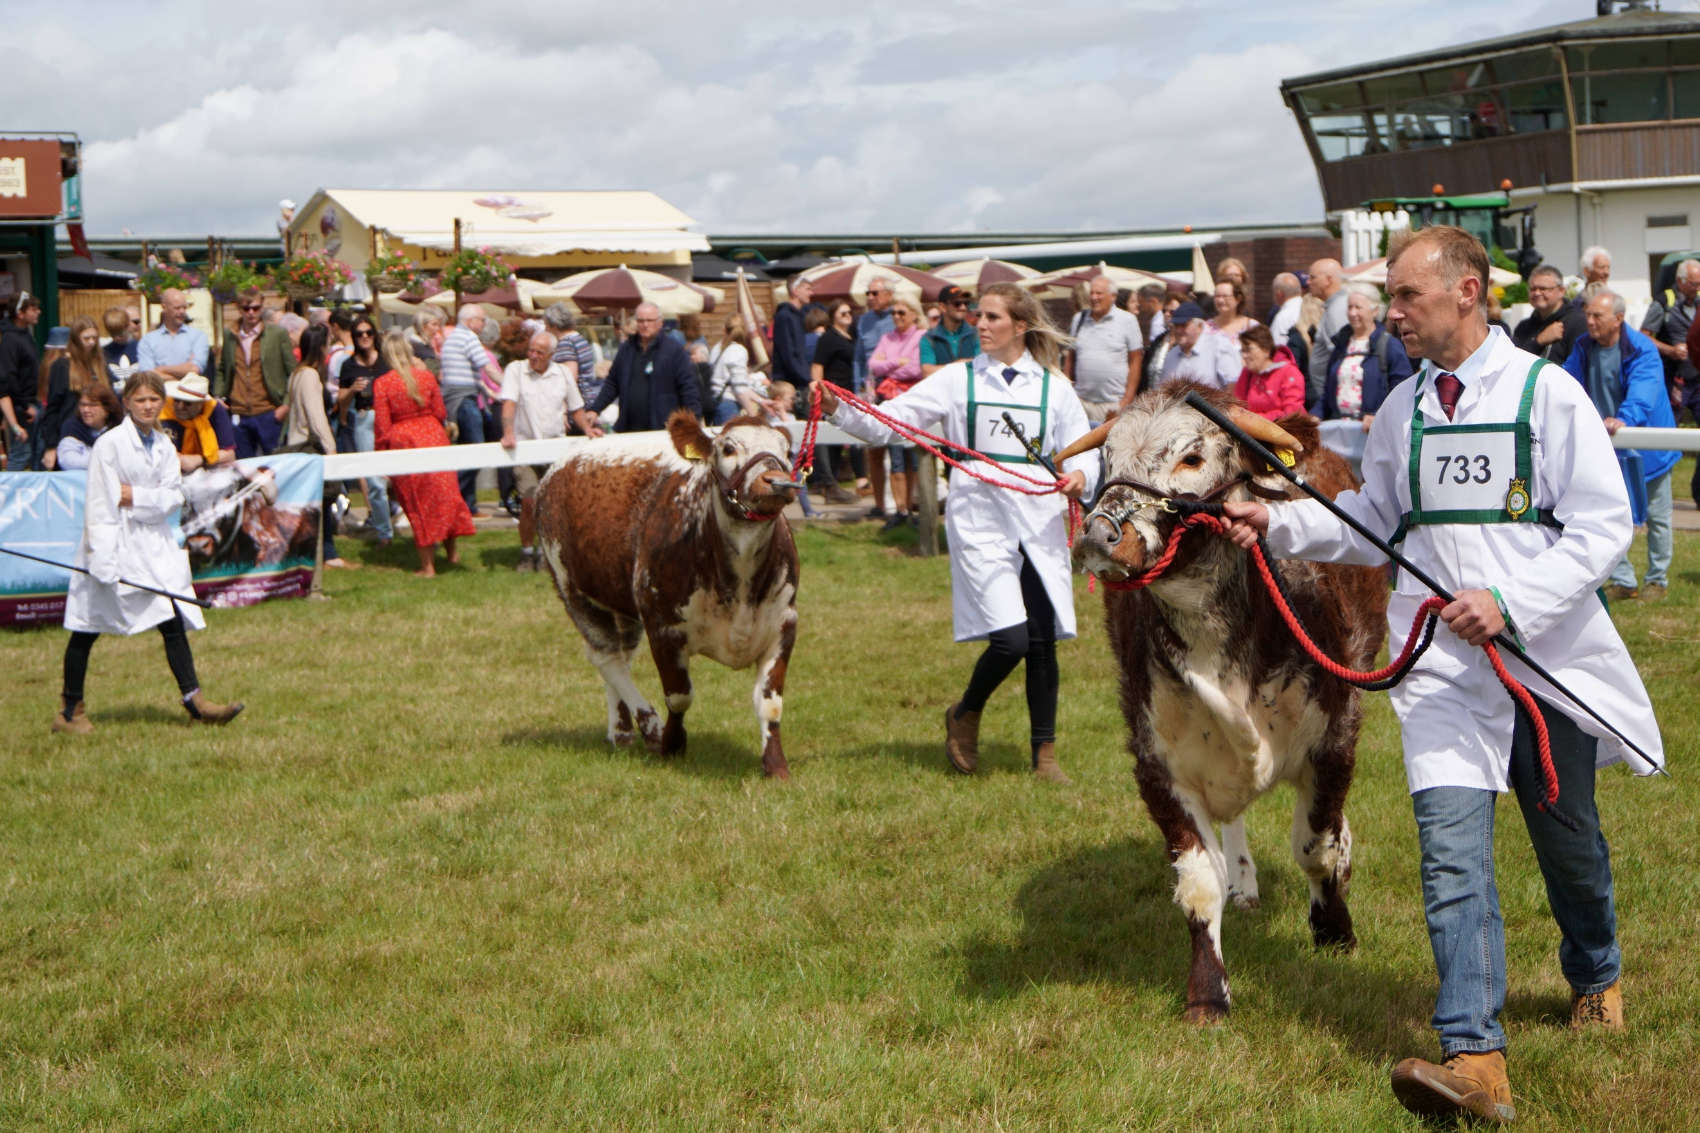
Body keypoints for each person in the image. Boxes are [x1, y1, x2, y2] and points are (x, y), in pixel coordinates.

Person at [1220, 225, 1665, 1126]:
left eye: (1408, 298)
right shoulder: (1404, 409)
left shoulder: (1549, 394)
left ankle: (1595, 971)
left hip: (1543, 662)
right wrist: (1279, 524)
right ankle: (1475, 1056)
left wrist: (1508, 597)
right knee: (1452, 856)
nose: (1395, 315)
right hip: (1439, 673)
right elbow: (1376, 521)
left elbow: (1601, 524)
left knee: (1566, 839)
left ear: (1467, 291)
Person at [815, 282, 1098, 783]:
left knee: (1041, 639)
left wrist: (1081, 475)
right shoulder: (956, 378)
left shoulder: (1054, 386)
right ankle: (966, 711)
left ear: (1021, 326)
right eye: (978, 316)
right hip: (981, 516)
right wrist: (839, 409)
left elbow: (1082, 448)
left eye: (992, 317)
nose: (980, 324)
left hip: (1037, 517)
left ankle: (1045, 756)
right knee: (1010, 639)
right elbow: (892, 423)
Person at [54, 370, 244, 735]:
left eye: (154, 400)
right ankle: (68, 710)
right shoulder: (109, 445)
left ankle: (195, 701)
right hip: (112, 543)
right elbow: (102, 500)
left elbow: (173, 497)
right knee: (87, 626)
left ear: (162, 403)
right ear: (126, 403)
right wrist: (102, 559)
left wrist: (136, 496)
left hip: (152, 546)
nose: (147, 406)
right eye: (140, 400)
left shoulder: (162, 445)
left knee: (171, 617)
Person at [1562, 289, 1677, 602]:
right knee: (1610, 513)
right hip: (1606, 447)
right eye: (1588, 314)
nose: (1589, 321)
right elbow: (1566, 383)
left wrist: (1623, 419)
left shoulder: (1641, 348)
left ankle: (1657, 580)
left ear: (1618, 319)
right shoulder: (1584, 346)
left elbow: (1644, 389)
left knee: (1657, 515)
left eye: (1597, 316)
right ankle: (1623, 579)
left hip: (1647, 447)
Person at [374, 330, 477, 578]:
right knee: (446, 496)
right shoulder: (427, 377)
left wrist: (381, 455)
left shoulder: (383, 383)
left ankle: (428, 567)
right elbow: (440, 412)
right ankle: (452, 555)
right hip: (434, 437)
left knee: (417, 503)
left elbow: (382, 426)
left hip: (405, 442)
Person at [500, 330, 601, 572]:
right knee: (529, 500)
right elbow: (509, 404)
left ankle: (548, 552)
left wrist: (588, 429)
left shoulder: (562, 374)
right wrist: (507, 431)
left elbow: (576, 408)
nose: (533, 356)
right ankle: (526, 551)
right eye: (531, 351)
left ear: (551, 355)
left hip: (555, 448)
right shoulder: (516, 370)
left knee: (553, 503)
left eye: (539, 353)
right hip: (524, 448)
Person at [282, 323, 355, 570]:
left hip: (295, 444)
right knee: (323, 500)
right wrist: (330, 446)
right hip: (308, 446)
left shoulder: (296, 374)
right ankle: (327, 553)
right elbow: (316, 416)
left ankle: (314, 552)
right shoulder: (311, 375)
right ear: (321, 347)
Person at [590, 301, 702, 433]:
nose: (645, 325)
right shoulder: (627, 349)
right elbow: (612, 383)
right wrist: (595, 409)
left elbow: (688, 389)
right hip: (628, 429)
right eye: (641, 321)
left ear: (660, 323)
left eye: (649, 320)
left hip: (663, 429)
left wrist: (693, 422)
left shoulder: (674, 351)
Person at [436, 304, 504, 512]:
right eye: (482, 320)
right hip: (464, 400)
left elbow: (471, 375)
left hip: (456, 399)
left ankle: (467, 505)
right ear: (470, 321)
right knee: (476, 449)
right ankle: (450, 494)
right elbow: (487, 368)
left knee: (466, 450)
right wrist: (510, 386)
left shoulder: (453, 339)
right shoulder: (469, 338)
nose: (484, 324)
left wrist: (490, 392)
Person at [1315, 283, 1413, 427]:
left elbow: (1403, 390)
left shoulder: (1389, 345)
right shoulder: (1341, 345)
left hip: (1373, 430)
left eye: (1358, 307)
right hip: (1339, 429)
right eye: (1349, 307)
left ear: (1375, 311)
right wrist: (1316, 414)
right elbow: (1328, 391)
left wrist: (1378, 415)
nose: (1352, 313)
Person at [333, 313, 393, 544]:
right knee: (375, 481)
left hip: (388, 418)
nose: (365, 337)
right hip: (364, 417)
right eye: (359, 334)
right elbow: (341, 402)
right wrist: (352, 390)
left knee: (398, 474)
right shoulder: (348, 365)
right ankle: (384, 533)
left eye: (369, 333)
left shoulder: (385, 360)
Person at [868, 295, 927, 527]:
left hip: (911, 402)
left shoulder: (921, 336)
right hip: (888, 400)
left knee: (912, 456)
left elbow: (916, 368)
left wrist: (888, 365)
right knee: (895, 458)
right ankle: (900, 508)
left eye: (902, 312)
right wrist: (896, 363)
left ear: (914, 314)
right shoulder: (887, 337)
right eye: (893, 313)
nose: (896, 317)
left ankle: (911, 505)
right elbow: (873, 365)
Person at [214, 291, 293, 458]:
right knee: (244, 468)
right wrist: (219, 396)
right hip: (239, 413)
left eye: (256, 308)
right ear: (239, 309)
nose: (251, 312)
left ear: (262, 308)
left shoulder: (277, 334)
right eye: (246, 308)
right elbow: (222, 368)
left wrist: (285, 406)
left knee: (275, 465)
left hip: (269, 411)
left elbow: (293, 373)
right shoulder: (230, 335)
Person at [40, 318, 114, 471]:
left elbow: (112, 402)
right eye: (87, 338)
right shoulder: (62, 366)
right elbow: (53, 409)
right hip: (71, 435)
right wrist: (51, 446)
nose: (92, 342)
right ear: (76, 340)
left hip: (100, 436)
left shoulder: (101, 365)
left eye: (94, 338)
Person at [1065, 277, 1142, 424]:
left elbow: (1136, 360)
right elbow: (1070, 357)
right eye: (1092, 293)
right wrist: (1069, 393)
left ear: (1113, 296)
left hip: (1113, 405)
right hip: (1082, 403)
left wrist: (1127, 400)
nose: (1094, 297)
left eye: (1099, 293)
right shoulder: (1079, 319)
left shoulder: (1128, 320)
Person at [1638, 257, 1699, 398]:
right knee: (1671, 419)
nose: (1697, 288)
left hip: (1696, 375)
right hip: (1673, 377)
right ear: (1680, 281)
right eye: (1693, 284)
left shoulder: (1699, 300)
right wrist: (1671, 350)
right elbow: (1643, 336)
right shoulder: (1663, 302)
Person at [158, 372, 236, 474]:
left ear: (201, 404)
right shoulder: (164, 410)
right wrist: (180, 458)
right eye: (177, 400)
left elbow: (230, 455)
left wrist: (199, 459)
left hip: (206, 473)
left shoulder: (214, 410)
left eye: (187, 403)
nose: (180, 407)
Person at [1512, 264, 1587, 364]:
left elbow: (1578, 366)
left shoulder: (1577, 323)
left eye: (1543, 289)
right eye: (1533, 289)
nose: (1537, 293)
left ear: (1561, 291)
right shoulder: (1523, 327)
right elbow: (1514, 363)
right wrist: (1538, 342)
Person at [0, 291, 43, 470]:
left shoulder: (25, 335)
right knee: (21, 453)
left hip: (31, 402)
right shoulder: (10, 339)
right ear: (20, 313)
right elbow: (9, 378)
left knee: (37, 450)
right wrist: (26, 406)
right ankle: (8, 495)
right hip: (20, 408)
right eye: (33, 309)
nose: (38, 312)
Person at [1233, 326, 1306, 420]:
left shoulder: (1289, 372)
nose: (1244, 355)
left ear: (1266, 350)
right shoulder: (1247, 374)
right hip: (1251, 432)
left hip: (1283, 431)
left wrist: (1256, 420)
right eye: (1242, 351)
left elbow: (1292, 413)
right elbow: (1238, 408)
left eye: (1248, 349)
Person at [1159, 301, 1240, 388]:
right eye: (1176, 325)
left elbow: (1233, 385)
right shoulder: (1171, 355)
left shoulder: (1219, 348)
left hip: (1212, 401)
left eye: (1183, 325)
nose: (1178, 330)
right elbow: (1164, 390)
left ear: (1200, 326)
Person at [135, 289, 210, 380]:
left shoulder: (198, 336)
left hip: (188, 393)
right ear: (164, 307)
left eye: (184, 308)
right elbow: (147, 374)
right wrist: (181, 375)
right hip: (161, 392)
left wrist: (160, 369)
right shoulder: (148, 340)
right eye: (177, 308)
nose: (182, 312)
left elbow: (194, 369)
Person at [1305, 258, 1349, 404]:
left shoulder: (1337, 310)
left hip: (1332, 397)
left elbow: (1339, 355)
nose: (1308, 282)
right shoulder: (1334, 307)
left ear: (1328, 280)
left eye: (1313, 277)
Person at [706, 313, 761, 425]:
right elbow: (739, 388)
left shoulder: (717, 348)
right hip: (728, 406)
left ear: (724, 330)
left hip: (714, 402)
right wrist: (753, 416)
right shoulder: (738, 350)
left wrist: (761, 401)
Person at [542, 303, 600, 408]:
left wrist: (562, 406)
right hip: (588, 398)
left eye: (546, 326)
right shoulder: (579, 339)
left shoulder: (565, 344)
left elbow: (569, 378)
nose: (545, 330)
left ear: (554, 326)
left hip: (575, 405)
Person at [55, 384, 122, 472]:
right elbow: (67, 461)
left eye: (93, 405)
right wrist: (105, 461)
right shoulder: (72, 428)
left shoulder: (119, 430)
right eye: (83, 405)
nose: (86, 410)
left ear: (107, 409)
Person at [101, 306, 142, 388]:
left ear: (127, 325)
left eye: (120, 332)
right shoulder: (104, 352)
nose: (117, 337)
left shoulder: (141, 347)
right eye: (113, 333)